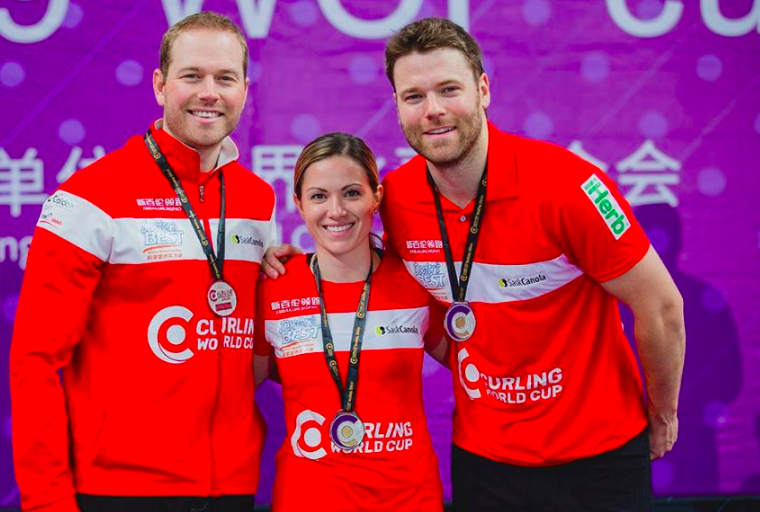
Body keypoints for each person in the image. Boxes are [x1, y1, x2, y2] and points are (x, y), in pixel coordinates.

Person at [264, 17, 685, 512]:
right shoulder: (396, 199)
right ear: (397, 106)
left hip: (598, 455)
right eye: (414, 96)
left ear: (483, 89)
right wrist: (290, 263)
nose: (433, 110)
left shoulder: (568, 186)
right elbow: (356, 260)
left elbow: (662, 308)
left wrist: (662, 414)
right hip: (485, 460)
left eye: (449, 89)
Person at [10, 12, 275, 512]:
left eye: (225, 78)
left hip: (233, 488)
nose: (209, 93)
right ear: (159, 85)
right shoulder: (89, 198)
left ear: (244, 90)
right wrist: (47, 501)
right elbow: (35, 364)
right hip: (121, 491)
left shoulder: (257, 200)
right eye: (192, 76)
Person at [254, 133, 446, 512]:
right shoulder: (274, 290)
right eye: (319, 196)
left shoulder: (415, 282)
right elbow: (234, 385)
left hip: (409, 500)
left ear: (376, 197)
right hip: (307, 501)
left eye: (352, 193)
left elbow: (479, 360)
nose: (336, 210)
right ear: (299, 204)